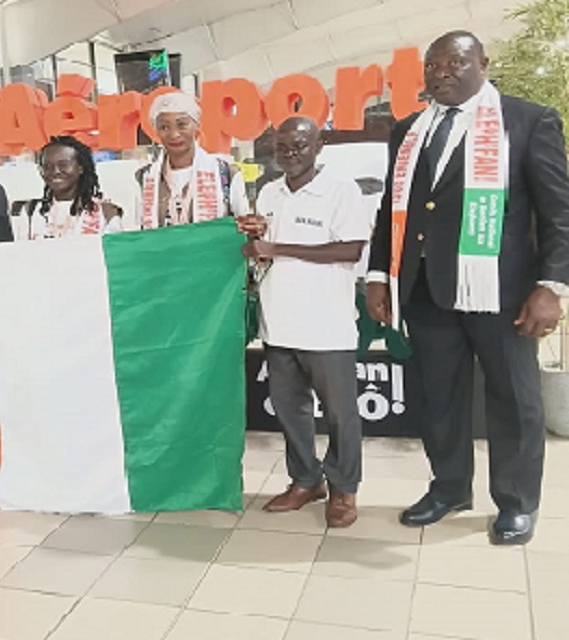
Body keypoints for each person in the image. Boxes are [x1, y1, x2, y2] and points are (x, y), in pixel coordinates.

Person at [366, 31, 569, 545]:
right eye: (432, 65)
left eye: (455, 63)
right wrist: (378, 275)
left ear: (483, 63)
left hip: (502, 293)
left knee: (512, 398)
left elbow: (558, 213)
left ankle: (516, 502)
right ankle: (449, 488)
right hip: (425, 289)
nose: (441, 73)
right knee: (438, 397)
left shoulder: (527, 121)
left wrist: (552, 285)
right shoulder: (409, 130)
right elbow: (393, 208)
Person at [238, 117, 370, 528]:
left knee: (340, 415)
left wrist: (277, 247)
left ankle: (344, 488)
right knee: (290, 411)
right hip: (278, 323)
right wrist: (253, 240)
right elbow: (262, 250)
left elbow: (350, 250)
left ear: (319, 145)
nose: (290, 155)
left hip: (327, 325)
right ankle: (306, 480)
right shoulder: (269, 192)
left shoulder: (341, 190)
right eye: (282, 148)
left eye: (299, 146)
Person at [136, 92, 249, 227]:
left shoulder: (226, 173)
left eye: (182, 125)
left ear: (197, 125)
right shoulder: (144, 177)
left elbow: (244, 226)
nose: (174, 134)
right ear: (156, 131)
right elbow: (137, 230)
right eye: (164, 127)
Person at [15, 135, 123, 239]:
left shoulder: (106, 212)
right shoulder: (30, 211)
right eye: (47, 166)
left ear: (80, 168)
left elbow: (115, 249)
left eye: (63, 165)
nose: (55, 171)